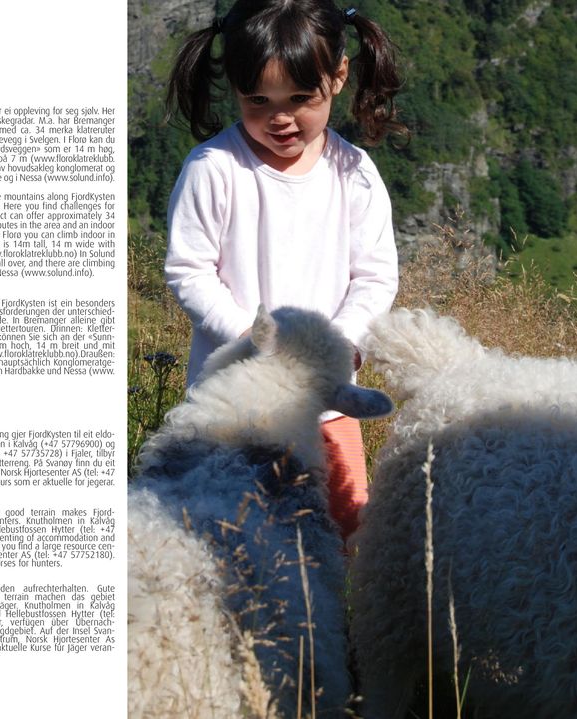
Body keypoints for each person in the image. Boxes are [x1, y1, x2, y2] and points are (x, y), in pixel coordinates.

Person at [164, 0, 406, 538]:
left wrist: (337, 346)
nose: (281, 117)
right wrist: (258, 341)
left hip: (327, 408)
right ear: (235, 87)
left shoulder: (355, 173)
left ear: (338, 77)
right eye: (259, 100)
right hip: (233, 405)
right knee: (229, 537)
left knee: (341, 535)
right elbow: (189, 271)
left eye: (301, 98)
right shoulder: (214, 169)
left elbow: (374, 276)